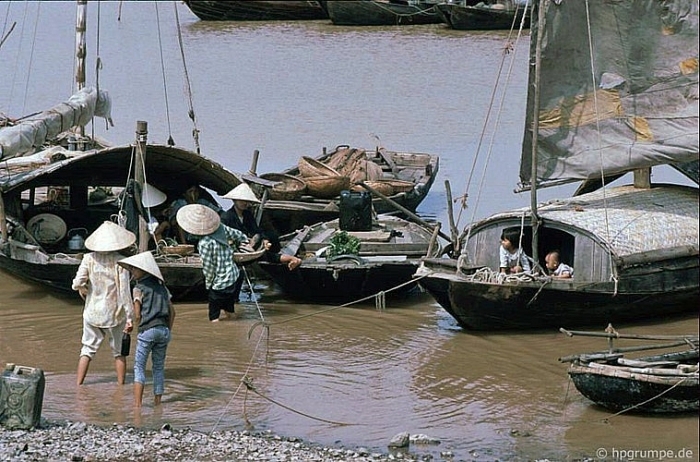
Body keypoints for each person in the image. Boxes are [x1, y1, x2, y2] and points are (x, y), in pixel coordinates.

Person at [72, 221, 136, 386]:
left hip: (92, 311)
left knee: (87, 350)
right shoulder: (121, 262)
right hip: (115, 312)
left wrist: (83, 290)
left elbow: (77, 283)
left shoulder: (88, 258)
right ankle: (121, 387)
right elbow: (124, 292)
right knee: (119, 352)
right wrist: (130, 317)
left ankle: (79, 385)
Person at [118, 251, 175, 408]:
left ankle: (137, 406)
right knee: (158, 367)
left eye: (134, 269)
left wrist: (133, 326)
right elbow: (173, 312)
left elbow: (137, 314)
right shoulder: (162, 288)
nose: (132, 272)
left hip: (147, 331)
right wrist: (167, 330)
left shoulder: (138, 288)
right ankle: (158, 403)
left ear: (143, 270)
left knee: (139, 367)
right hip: (163, 331)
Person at [176, 203, 249, 322]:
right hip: (233, 277)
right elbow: (239, 235)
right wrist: (243, 242)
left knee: (214, 319)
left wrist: (209, 285)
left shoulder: (204, 243)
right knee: (229, 311)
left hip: (219, 284)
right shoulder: (221, 228)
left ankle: (218, 337)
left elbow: (208, 269)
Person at [221, 183, 302, 270]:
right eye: (241, 201)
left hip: (251, 243)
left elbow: (256, 230)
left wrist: (264, 240)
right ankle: (290, 259)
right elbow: (226, 238)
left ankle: (284, 259)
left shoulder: (247, 214)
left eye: (246, 201)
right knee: (263, 255)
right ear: (234, 200)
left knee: (272, 237)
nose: (245, 203)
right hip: (238, 247)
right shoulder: (226, 217)